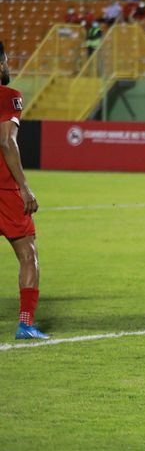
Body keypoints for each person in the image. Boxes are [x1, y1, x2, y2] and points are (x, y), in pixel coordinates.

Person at [0, 45, 45, 339]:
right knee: (28, 254)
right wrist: (25, 187)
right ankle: (25, 324)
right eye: (5, 60)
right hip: (5, 190)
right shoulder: (9, 96)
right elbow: (6, 141)